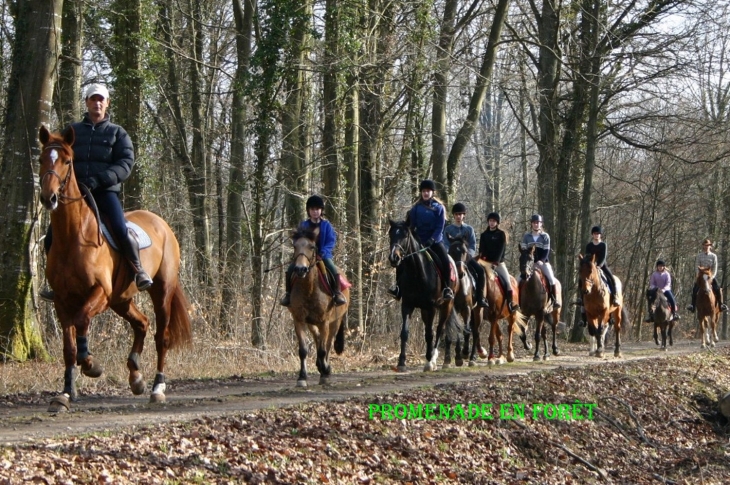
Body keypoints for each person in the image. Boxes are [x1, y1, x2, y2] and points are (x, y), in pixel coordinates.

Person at [40, 84, 152, 301]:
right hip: (75, 194)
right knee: (51, 236)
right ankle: (56, 281)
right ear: (87, 103)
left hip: (104, 191)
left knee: (120, 228)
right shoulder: (72, 131)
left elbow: (126, 163)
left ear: (107, 103)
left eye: (101, 99)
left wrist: (100, 179)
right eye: (93, 99)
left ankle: (138, 270)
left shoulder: (117, 133)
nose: (97, 103)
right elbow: (60, 158)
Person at [391, 179, 453, 301]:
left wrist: (433, 239)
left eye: (428, 191)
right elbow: (411, 226)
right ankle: (398, 288)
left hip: (435, 242)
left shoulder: (439, 208)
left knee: (445, 262)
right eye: (424, 191)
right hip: (418, 242)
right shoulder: (415, 209)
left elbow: (440, 227)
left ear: (432, 192)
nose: (425, 193)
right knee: (402, 261)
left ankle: (446, 288)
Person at [280, 195, 347, 307]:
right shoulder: (304, 225)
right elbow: (298, 241)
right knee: (290, 269)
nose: (315, 212)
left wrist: (323, 251)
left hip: (323, 255)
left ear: (321, 210)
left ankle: (337, 293)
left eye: (317, 209)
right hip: (306, 255)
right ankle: (288, 294)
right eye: (312, 209)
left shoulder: (326, 225)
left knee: (333, 268)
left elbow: (331, 241)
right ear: (308, 211)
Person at [443, 203, 488, 308]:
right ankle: (444, 293)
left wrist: (468, 256)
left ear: (464, 215)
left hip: (465, 258)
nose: (458, 216)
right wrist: (449, 256)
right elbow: (445, 244)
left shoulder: (469, 229)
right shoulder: (448, 230)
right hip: (452, 259)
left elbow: (472, 246)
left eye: (460, 214)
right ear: (454, 216)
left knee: (481, 271)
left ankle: (480, 297)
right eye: (456, 214)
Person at [478, 212, 519, 313]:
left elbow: (501, 250)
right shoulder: (484, 235)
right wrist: (483, 259)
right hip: (485, 262)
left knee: (508, 282)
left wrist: (495, 262)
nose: (492, 223)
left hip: (499, 263)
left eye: (494, 221)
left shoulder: (501, 234)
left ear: (497, 222)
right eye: (490, 221)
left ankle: (510, 303)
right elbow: (481, 250)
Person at [519, 214, 560, 308]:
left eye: (538, 223)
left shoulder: (545, 236)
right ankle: (517, 301)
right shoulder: (527, 236)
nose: (536, 224)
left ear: (541, 224)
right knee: (519, 279)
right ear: (531, 224)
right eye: (534, 223)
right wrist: (529, 263)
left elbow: (546, 250)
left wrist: (541, 260)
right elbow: (524, 251)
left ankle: (554, 300)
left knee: (551, 279)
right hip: (530, 264)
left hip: (543, 262)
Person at [687, 238, 728, 313]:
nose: (706, 247)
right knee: (695, 289)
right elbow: (696, 266)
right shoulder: (699, 256)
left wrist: (712, 277)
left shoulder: (713, 256)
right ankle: (692, 306)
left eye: (708, 245)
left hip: (710, 276)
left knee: (718, 289)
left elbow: (715, 268)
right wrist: (698, 276)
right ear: (703, 246)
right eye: (705, 245)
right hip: (701, 277)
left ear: (710, 246)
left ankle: (721, 305)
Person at [584, 226, 619, 306]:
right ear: (592, 235)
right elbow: (587, 256)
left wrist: (599, 265)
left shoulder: (603, 245)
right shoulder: (589, 245)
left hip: (602, 265)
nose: (596, 235)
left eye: (598, 234)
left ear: (600, 235)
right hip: (591, 266)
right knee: (582, 280)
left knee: (611, 278)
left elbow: (603, 257)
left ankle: (615, 296)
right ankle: (581, 298)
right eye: (595, 233)